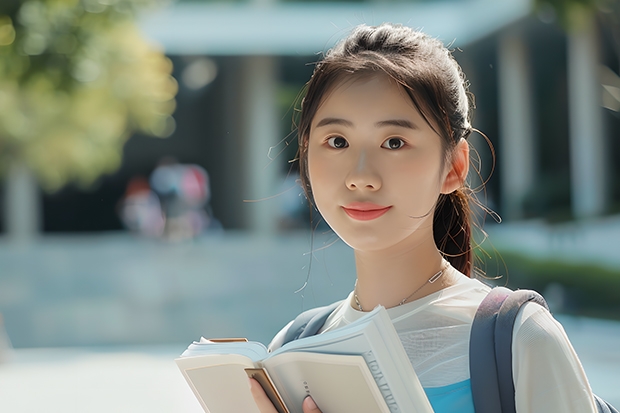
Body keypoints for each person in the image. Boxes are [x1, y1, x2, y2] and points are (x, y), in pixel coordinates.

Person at [250, 23, 597, 413]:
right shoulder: (294, 349)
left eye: (394, 142)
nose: (360, 176)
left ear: (453, 166)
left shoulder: (520, 339)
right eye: (337, 142)